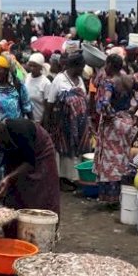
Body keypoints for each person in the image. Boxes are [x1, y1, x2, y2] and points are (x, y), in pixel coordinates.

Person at [0, 99, 59, 214]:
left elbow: (30, 162)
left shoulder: (18, 129)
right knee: (14, 195)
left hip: (40, 152)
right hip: (16, 156)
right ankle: (15, 228)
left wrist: (9, 177)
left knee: (41, 193)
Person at [94, 52, 137, 205]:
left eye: (106, 64)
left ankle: (110, 198)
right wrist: (133, 109)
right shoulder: (129, 79)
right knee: (122, 158)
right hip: (126, 121)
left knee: (110, 161)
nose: (105, 67)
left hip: (112, 126)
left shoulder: (110, 82)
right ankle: (120, 196)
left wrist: (112, 117)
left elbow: (105, 103)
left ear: (110, 66)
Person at [43, 51, 90, 186]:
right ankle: (65, 179)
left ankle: (76, 178)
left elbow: (83, 100)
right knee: (65, 152)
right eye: (82, 67)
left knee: (78, 152)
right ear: (75, 66)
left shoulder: (80, 80)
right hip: (63, 124)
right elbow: (50, 104)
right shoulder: (59, 79)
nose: (83, 70)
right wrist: (47, 126)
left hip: (80, 124)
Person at [25, 52, 51, 124]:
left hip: (38, 121)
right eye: (30, 65)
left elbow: (47, 108)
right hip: (25, 119)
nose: (32, 68)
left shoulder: (46, 83)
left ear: (41, 67)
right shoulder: (27, 77)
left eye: (35, 66)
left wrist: (43, 123)